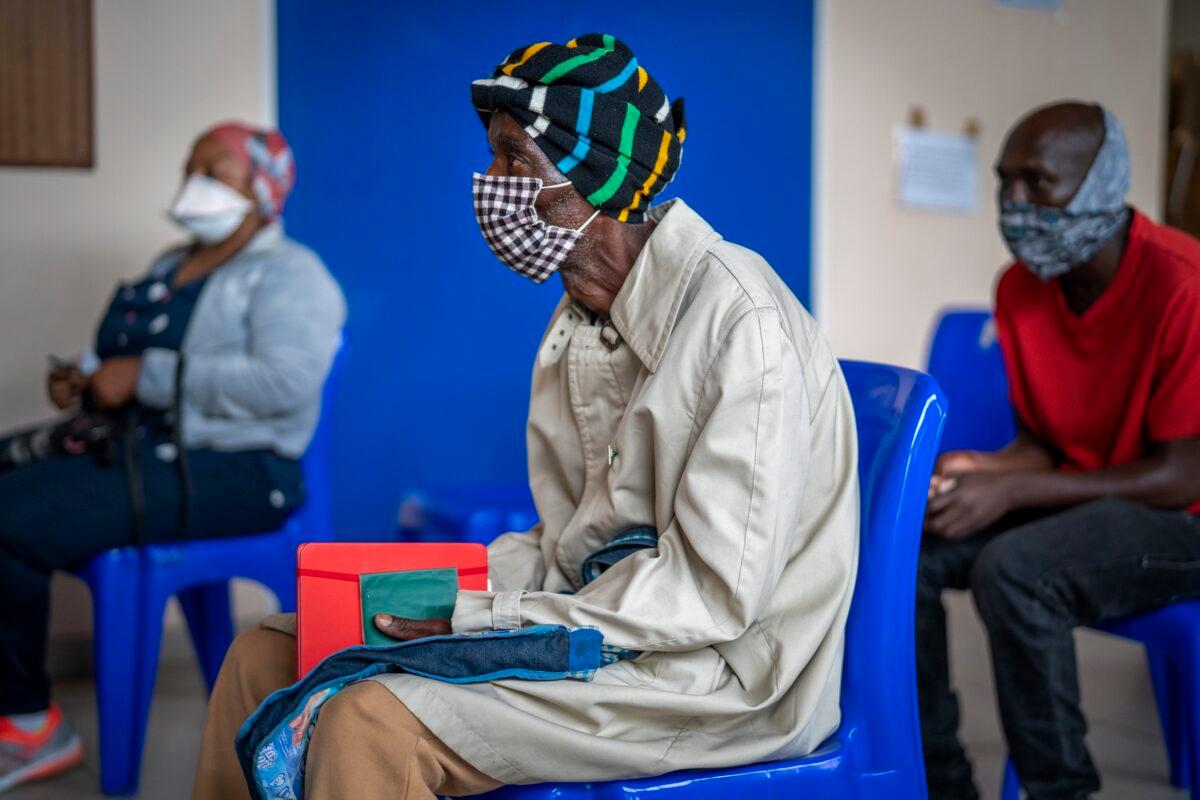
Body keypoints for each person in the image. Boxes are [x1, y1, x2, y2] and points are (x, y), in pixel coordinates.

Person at [192, 34, 859, 800]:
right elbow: (568, 545)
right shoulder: (580, 318)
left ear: (596, 175)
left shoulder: (739, 324)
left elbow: (708, 598)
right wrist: (409, 593)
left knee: (369, 720)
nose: (491, 184)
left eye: (516, 160)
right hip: (613, 634)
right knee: (268, 652)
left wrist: (483, 618)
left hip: (712, 677)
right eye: (494, 158)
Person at [0, 122, 345, 793]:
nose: (195, 185)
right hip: (142, 450)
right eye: (191, 168)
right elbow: (130, 363)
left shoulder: (291, 275)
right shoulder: (169, 264)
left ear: (263, 188)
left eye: (214, 172)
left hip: (242, 471)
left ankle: (30, 724)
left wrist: (145, 376)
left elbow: (286, 383)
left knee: (10, 522)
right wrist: (89, 375)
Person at [918, 101, 1200, 800]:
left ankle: (1059, 791)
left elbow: (1177, 475)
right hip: (1098, 497)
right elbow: (1050, 443)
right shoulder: (1019, 290)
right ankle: (942, 782)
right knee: (911, 548)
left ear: (1105, 184)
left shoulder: (1184, 284)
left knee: (1014, 571)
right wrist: (987, 469)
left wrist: (1011, 492)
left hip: (1183, 514)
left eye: (1038, 183)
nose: (1015, 205)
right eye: (1004, 182)